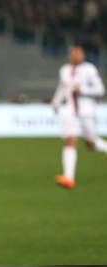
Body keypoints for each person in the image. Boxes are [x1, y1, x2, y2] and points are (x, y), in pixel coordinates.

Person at [51, 43, 107, 189]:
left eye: (78, 52)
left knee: (91, 143)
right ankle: (68, 178)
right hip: (70, 111)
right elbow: (62, 87)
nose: (75, 55)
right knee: (70, 139)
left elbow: (100, 90)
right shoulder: (64, 70)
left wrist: (83, 90)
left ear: (83, 55)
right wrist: (56, 102)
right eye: (72, 52)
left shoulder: (89, 69)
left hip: (86, 112)